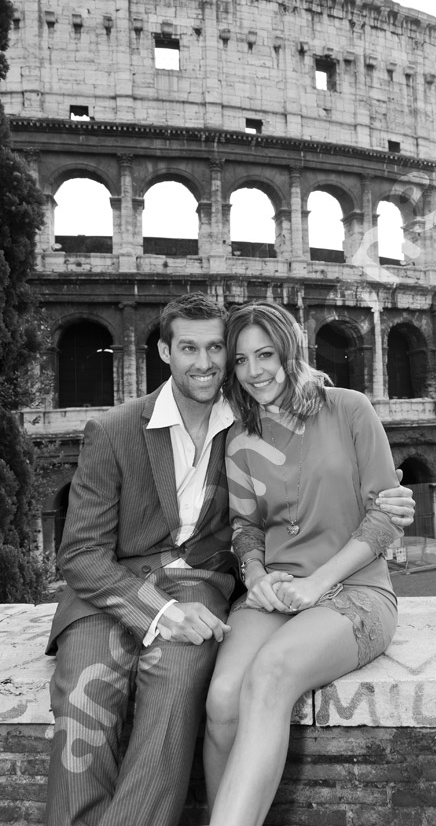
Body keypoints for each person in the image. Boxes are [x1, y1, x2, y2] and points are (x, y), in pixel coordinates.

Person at [44, 291, 415, 826]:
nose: (221, 365)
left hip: (268, 587)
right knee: (120, 697)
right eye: (233, 357)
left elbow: (371, 502)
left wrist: (383, 505)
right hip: (135, 588)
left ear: (287, 350)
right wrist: (239, 581)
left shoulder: (296, 414)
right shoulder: (158, 430)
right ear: (164, 352)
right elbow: (84, 552)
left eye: (223, 350)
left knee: (200, 684)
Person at [203, 301, 408, 826]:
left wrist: (318, 582)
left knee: (271, 674)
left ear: (291, 350)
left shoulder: (349, 409)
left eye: (265, 354)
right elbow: (246, 528)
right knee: (223, 698)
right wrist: (255, 576)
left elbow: (385, 515)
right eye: (241, 361)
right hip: (276, 592)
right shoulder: (238, 440)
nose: (254, 372)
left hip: (355, 591)